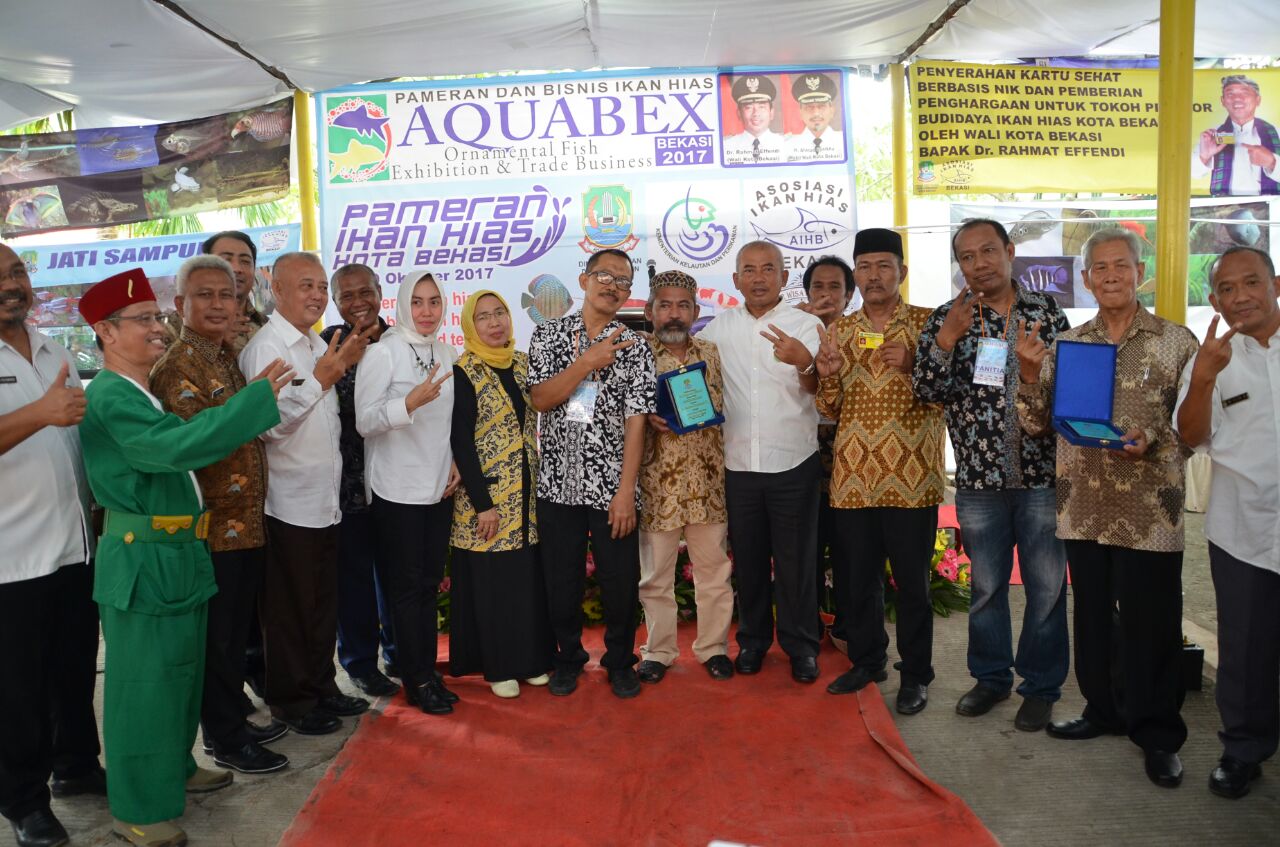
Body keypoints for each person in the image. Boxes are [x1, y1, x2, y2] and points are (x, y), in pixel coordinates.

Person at [77, 267, 292, 847]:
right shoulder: (109, 395)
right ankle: (139, 806)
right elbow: (175, 447)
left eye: (156, 317)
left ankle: (174, 769)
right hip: (144, 560)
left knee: (179, 675)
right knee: (144, 687)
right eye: (143, 319)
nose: (157, 328)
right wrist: (253, 403)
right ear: (105, 331)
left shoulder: (137, 389)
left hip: (175, 552)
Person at [1016, 227, 1199, 788]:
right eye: (1101, 267)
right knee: (1092, 617)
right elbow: (1035, 421)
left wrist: (1156, 439)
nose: (1112, 275)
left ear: (1140, 273)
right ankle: (1102, 709)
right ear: (1088, 277)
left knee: (1152, 623)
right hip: (1084, 502)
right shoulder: (1070, 344)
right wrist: (1027, 373)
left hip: (1151, 507)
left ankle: (1158, 734)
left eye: (1122, 265)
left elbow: (1193, 428)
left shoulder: (1177, 342)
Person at [913, 218, 1070, 732]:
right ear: (959, 264)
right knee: (986, 587)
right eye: (966, 256)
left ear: (1009, 251)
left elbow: (1067, 386)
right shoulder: (946, 317)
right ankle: (990, 678)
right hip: (979, 479)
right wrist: (946, 340)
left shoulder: (1047, 312)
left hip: (1043, 474)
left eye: (987, 251)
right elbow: (927, 392)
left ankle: (1041, 686)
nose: (979, 263)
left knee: (1047, 587)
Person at [150, 256, 290, 777]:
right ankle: (224, 738)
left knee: (235, 635)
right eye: (204, 295)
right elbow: (196, 442)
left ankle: (231, 719)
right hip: (212, 529)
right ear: (179, 303)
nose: (217, 305)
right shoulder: (178, 365)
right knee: (219, 640)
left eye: (226, 295)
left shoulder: (225, 354)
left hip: (245, 524)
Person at [239, 252, 375, 736]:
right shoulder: (267, 347)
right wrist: (322, 378)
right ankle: (292, 702)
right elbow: (267, 427)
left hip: (325, 497)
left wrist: (325, 371)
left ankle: (322, 686)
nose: (317, 295)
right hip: (287, 501)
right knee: (289, 610)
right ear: (276, 289)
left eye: (321, 286)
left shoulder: (316, 340)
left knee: (321, 604)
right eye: (306, 286)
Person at [815, 229, 945, 715]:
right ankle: (869, 661)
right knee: (857, 580)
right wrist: (826, 376)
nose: (873, 275)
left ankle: (916, 675)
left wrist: (915, 365)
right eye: (865, 267)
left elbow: (944, 394)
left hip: (911, 479)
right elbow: (830, 409)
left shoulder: (929, 324)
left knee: (911, 585)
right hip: (853, 478)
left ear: (902, 273)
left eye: (883, 266)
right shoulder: (842, 331)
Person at [0, 241, 103, 847]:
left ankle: (77, 768)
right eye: (0, 277)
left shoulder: (52, 347)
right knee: (17, 689)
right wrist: (41, 412)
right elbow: (46, 418)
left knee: (72, 670)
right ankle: (23, 801)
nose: (12, 284)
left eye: (17, 272)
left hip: (74, 546)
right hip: (12, 558)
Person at [1175, 246, 1280, 798]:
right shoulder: (1213, 357)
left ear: (1275, 284)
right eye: (1228, 290)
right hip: (1244, 532)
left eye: (1252, 283)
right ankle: (1243, 750)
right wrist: (1203, 379)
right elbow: (1190, 437)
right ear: (1214, 300)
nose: (1241, 297)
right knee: (1245, 650)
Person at [528, 248, 656, 699]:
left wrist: (626, 492)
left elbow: (637, 420)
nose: (613, 285)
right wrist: (586, 362)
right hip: (557, 484)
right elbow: (541, 399)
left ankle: (621, 660)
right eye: (604, 275)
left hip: (610, 487)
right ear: (583, 280)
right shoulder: (547, 336)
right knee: (560, 580)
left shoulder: (637, 345)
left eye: (623, 281)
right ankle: (568, 658)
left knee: (620, 582)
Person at [698, 240, 824, 683]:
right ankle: (752, 642)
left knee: (797, 564)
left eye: (768, 268)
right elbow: (693, 380)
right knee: (748, 563)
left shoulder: (807, 327)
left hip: (794, 462)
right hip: (738, 466)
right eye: (748, 270)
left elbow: (820, 393)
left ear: (784, 278)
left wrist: (804, 362)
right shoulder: (717, 330)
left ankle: (802, 646)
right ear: (735, 280)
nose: (758, 277)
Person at [355, 271, 460, 714]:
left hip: (438, 486)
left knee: (427, 584)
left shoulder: (447, 352)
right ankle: (415, 678)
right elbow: (365, 421)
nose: (426, 311)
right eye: (417, 302)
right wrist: (408, 404)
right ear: (401, 304)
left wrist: (454, 460)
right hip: (396, 487)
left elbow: (450, 420)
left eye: (434, 302)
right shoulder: (383, 353)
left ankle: (428, 671)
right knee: (405, 589)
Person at [448, 290, 554, 698]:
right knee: (493, 585)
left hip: (526, 496)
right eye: (484, 317)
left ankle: (529, 661)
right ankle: (498, 666)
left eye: (500, 314)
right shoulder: (465, 371)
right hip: (488, 498)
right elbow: (462, 442)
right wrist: (483, 505)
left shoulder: (524, 363)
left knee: (524, 580)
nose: (494, 323)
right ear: (470, 326)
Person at [635, 271, 735, 683]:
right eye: (665, 306)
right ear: (649, 311)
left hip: (708, 483)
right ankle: (658, 652)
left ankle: (713, 649)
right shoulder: (634, 355)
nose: (674, 315)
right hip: (657, 484)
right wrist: (646, 419)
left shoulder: (712, 353)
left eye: (682, 306)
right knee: (655, 577)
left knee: (714, 573)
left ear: (695, 311)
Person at [320, 264, 399, 698]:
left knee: (396, 574)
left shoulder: (401, 339)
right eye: (347, 296)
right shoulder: (324, 345)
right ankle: (360, 663)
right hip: (346, 484)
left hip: (397, 480)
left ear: (380, 292)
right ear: (335, 301)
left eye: (364, 292)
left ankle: (401, 653)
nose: (357, 302)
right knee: (353, 579)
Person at [799, 256, 856, 646]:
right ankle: (809, 625)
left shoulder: (861, 333)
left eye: (834, 287)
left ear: (849, 294)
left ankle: (850, 625)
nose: (825, 294)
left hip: (851, 458)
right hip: (802, 455)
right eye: (818, 287)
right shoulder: (794, 329)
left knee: (851, 545)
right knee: (807, 546)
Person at [1194, 75, 1278, 196]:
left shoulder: (1276, 133)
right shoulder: (1212, 135)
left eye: (1245, 93)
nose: (1237, 98)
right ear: (1223, 101)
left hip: (1270, 207)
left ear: (1258, 100)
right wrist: (1204, 157)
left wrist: (1272, 162)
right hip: (1225, 208)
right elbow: (1194, 174)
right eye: (1230, 94)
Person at [202, 230, 269, 350]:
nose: (237, 269)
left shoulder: (268, 326)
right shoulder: (181, 325)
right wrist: (213, 342)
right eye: (226, 260)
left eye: (245, 261)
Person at [722, 75, 783, 165]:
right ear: (739, 113)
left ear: (771, 113)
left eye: (762, 107)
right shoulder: (726, 147)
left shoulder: (785, 144)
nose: (756, 114)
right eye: (748, 107)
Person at [785, 72, 844, 162]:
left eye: (821, 106)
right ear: (800, 112)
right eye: (809, 107)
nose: (816, 113)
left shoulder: (844, 142)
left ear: (832, 111)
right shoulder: (787, 146)